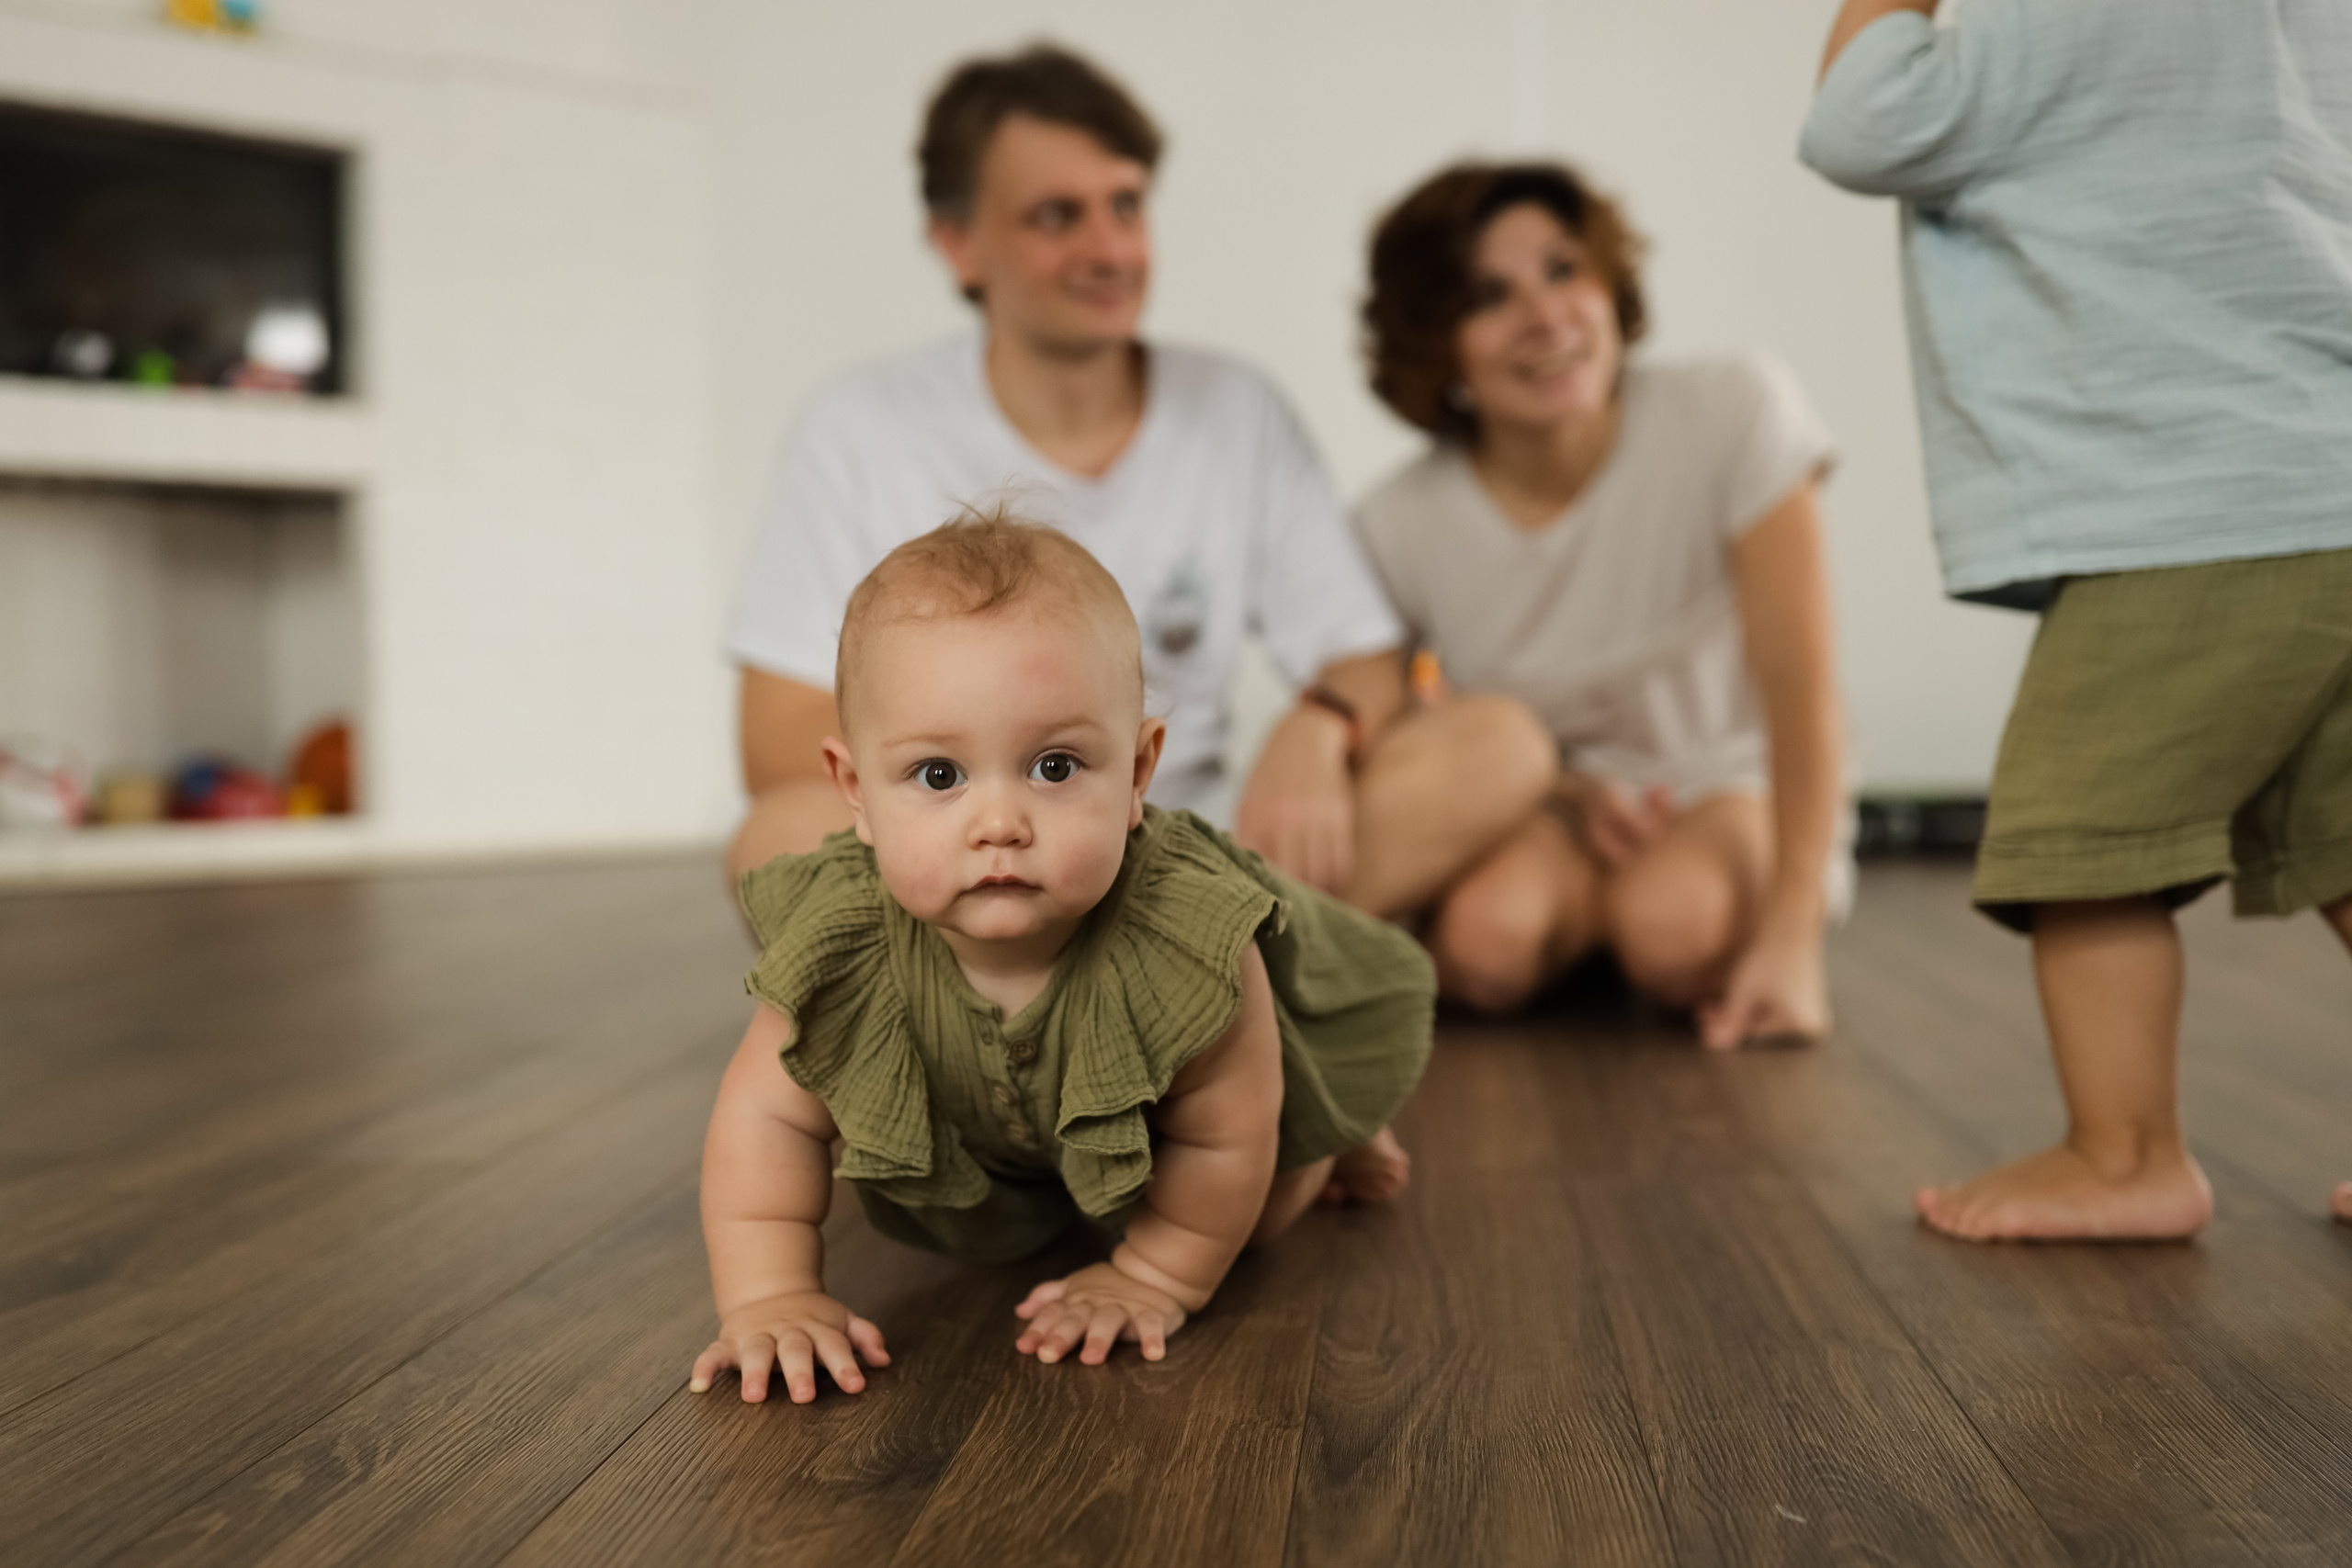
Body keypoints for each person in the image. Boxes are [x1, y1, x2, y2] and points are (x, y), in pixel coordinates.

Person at [726, 44, 1555, 915]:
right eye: (1058, 215)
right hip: (969, 854)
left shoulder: (1240, 409)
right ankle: (1196, 977)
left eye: (1125, 205)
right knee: (772, 837)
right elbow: (780, 746)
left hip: (1194, 846)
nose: (1109, 246)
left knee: (1500, 745)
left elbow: (1367, 658)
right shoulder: (855, 427)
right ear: (959, 244)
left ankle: (1077, 988)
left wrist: (1322, 724)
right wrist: (988, 813)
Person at [1802, 0, 2352, 1237]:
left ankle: (2126, 1154)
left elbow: (1865, 120)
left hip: (2190, 500)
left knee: (2082, 829)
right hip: (2328, 469)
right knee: (2346, 828)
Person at [690, 516, 1433, 1403]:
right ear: (855, 791)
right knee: (1030, 1219)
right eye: (938, 775)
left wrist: (1153, 1276)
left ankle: (1326, 1130)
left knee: (1257, 1207)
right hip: (1009, 1141)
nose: (999, 821)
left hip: (1207, 1122)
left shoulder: (1186, 941)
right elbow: (765, 1123)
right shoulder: (842, 939)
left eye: (1054, 765)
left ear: (1137, 772)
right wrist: (772, 1293)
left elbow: (1225, 1131)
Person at [1351, 162, 1849, 1048]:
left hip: (1723, 775)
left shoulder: (1733, 407)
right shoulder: (1400, 519)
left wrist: (1793, 935)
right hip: (1557, 798)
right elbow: (1397, 712)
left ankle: (1631, 928)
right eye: (1487, 296)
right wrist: (1566, 787)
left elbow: (1802, 682)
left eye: (1562, 269)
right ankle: (1586, 927)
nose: (1545, 315)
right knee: (1483, 944)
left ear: (1609, 284)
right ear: (1435, 344)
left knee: (1674, 929)